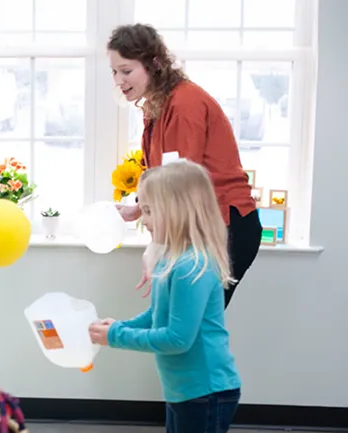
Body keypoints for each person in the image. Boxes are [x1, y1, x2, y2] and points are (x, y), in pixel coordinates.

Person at [108, 23, 262, 308]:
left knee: (191, 326)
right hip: (202, 224)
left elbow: (178, 183)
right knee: (185, 325)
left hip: (226, 225)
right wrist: (139, 207)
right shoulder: (157, 106)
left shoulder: (183, 105)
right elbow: (159, 174)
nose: (118, 79)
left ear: (154, 64)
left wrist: (154, 251)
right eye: (114, 71)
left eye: (126, 71)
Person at [89, 160, 241, 433]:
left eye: (148, 210)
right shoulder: (172, 259)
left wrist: (115, 336)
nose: (143, 219)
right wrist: (119, 326)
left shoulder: (192, 266)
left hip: (206, 391)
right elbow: (156, 314)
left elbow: (178, 339)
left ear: (178, 210)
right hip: (184, 390)